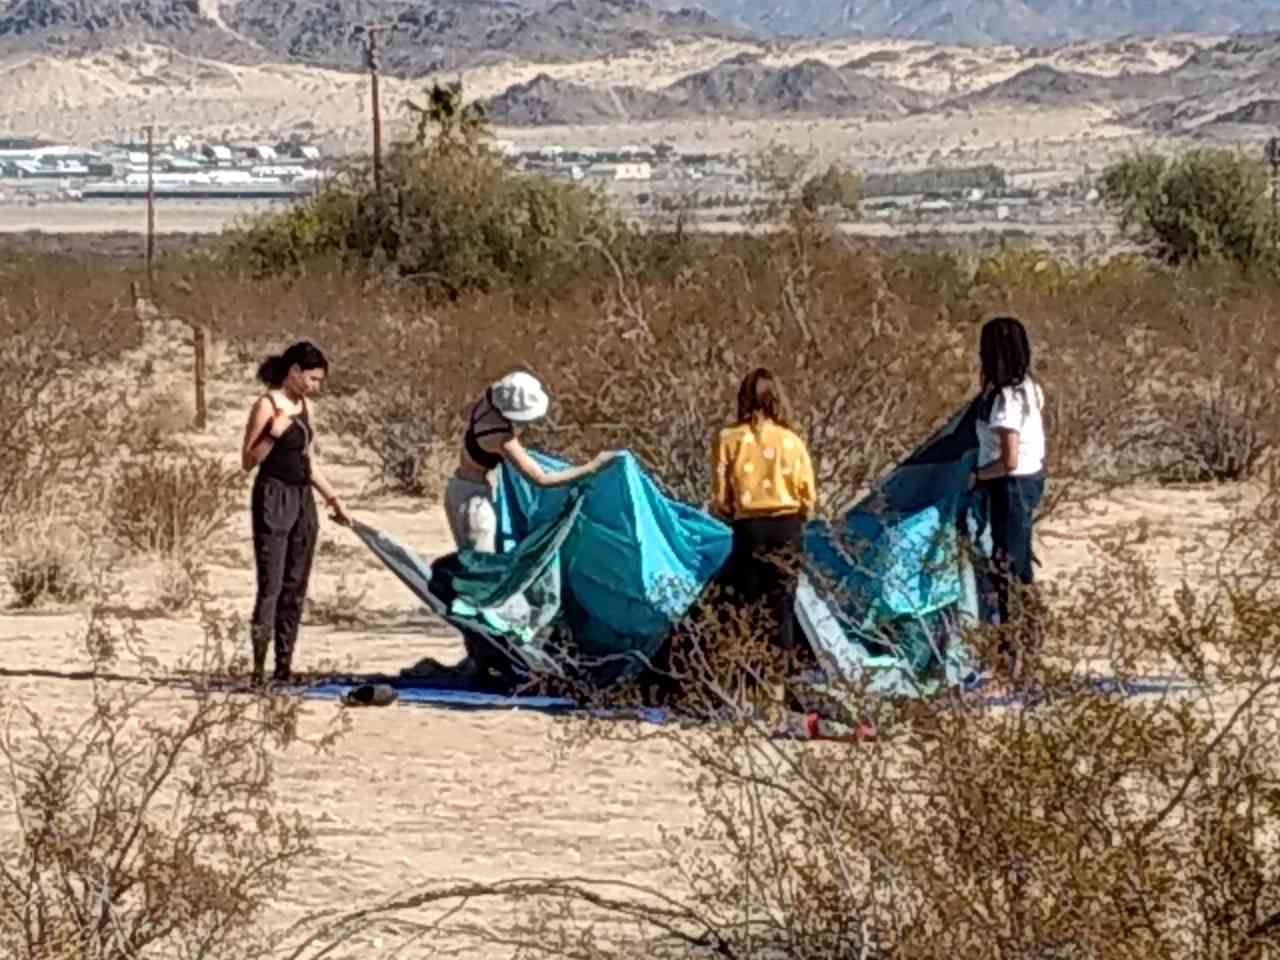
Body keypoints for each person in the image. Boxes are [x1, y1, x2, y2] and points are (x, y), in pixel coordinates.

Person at [444, 370, 619, 678]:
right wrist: (593, 466)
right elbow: (541, 478)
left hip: (464, 490)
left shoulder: (485, 403)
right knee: (483, 586)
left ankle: (480, 654)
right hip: (475, 504)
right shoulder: (500, 435)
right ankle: (481, 657)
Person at [240, 341, 351, 686]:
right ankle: (258, 671)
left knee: (295, 585)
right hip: (273, 496)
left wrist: (333, 498)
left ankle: (284, 667)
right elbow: (248, 461)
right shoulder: (266, 405)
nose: (316, 386)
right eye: (313, 379)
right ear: (294, 372)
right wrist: (273, 434)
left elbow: (308, 460)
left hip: (303, 498)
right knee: (270, 585)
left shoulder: (305, 407)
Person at [710, 367, 817, 655]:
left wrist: (731, 511)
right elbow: (808, 493)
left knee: (746, 603)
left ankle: (747, 674)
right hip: (788, 525)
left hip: (749, 527)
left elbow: (721, 497)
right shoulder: (791, 441)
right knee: (782, 603)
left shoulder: (729, 438)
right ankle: (777, 682)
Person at [968, 316, 1047, 681]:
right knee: (1016, 566)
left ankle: (1013, 657)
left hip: (1011, 484)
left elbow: (1009, 458)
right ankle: (1025, 646)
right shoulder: (1028, 389)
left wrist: (978, 476)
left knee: (1008, 571)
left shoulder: (1007, 399)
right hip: (1025, 482)